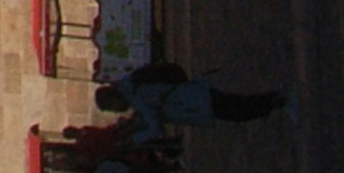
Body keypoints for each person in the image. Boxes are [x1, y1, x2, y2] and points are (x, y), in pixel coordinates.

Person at [99, 63, 288, 127]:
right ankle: (271, 100)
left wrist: (133, 137)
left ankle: (273, 101)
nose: (116, 111)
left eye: (111, 107)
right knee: (233, 105)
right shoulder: (130, 81)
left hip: (191, 101)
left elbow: (153, 122)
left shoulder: (134, 94)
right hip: (192, 96)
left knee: (235, 110)